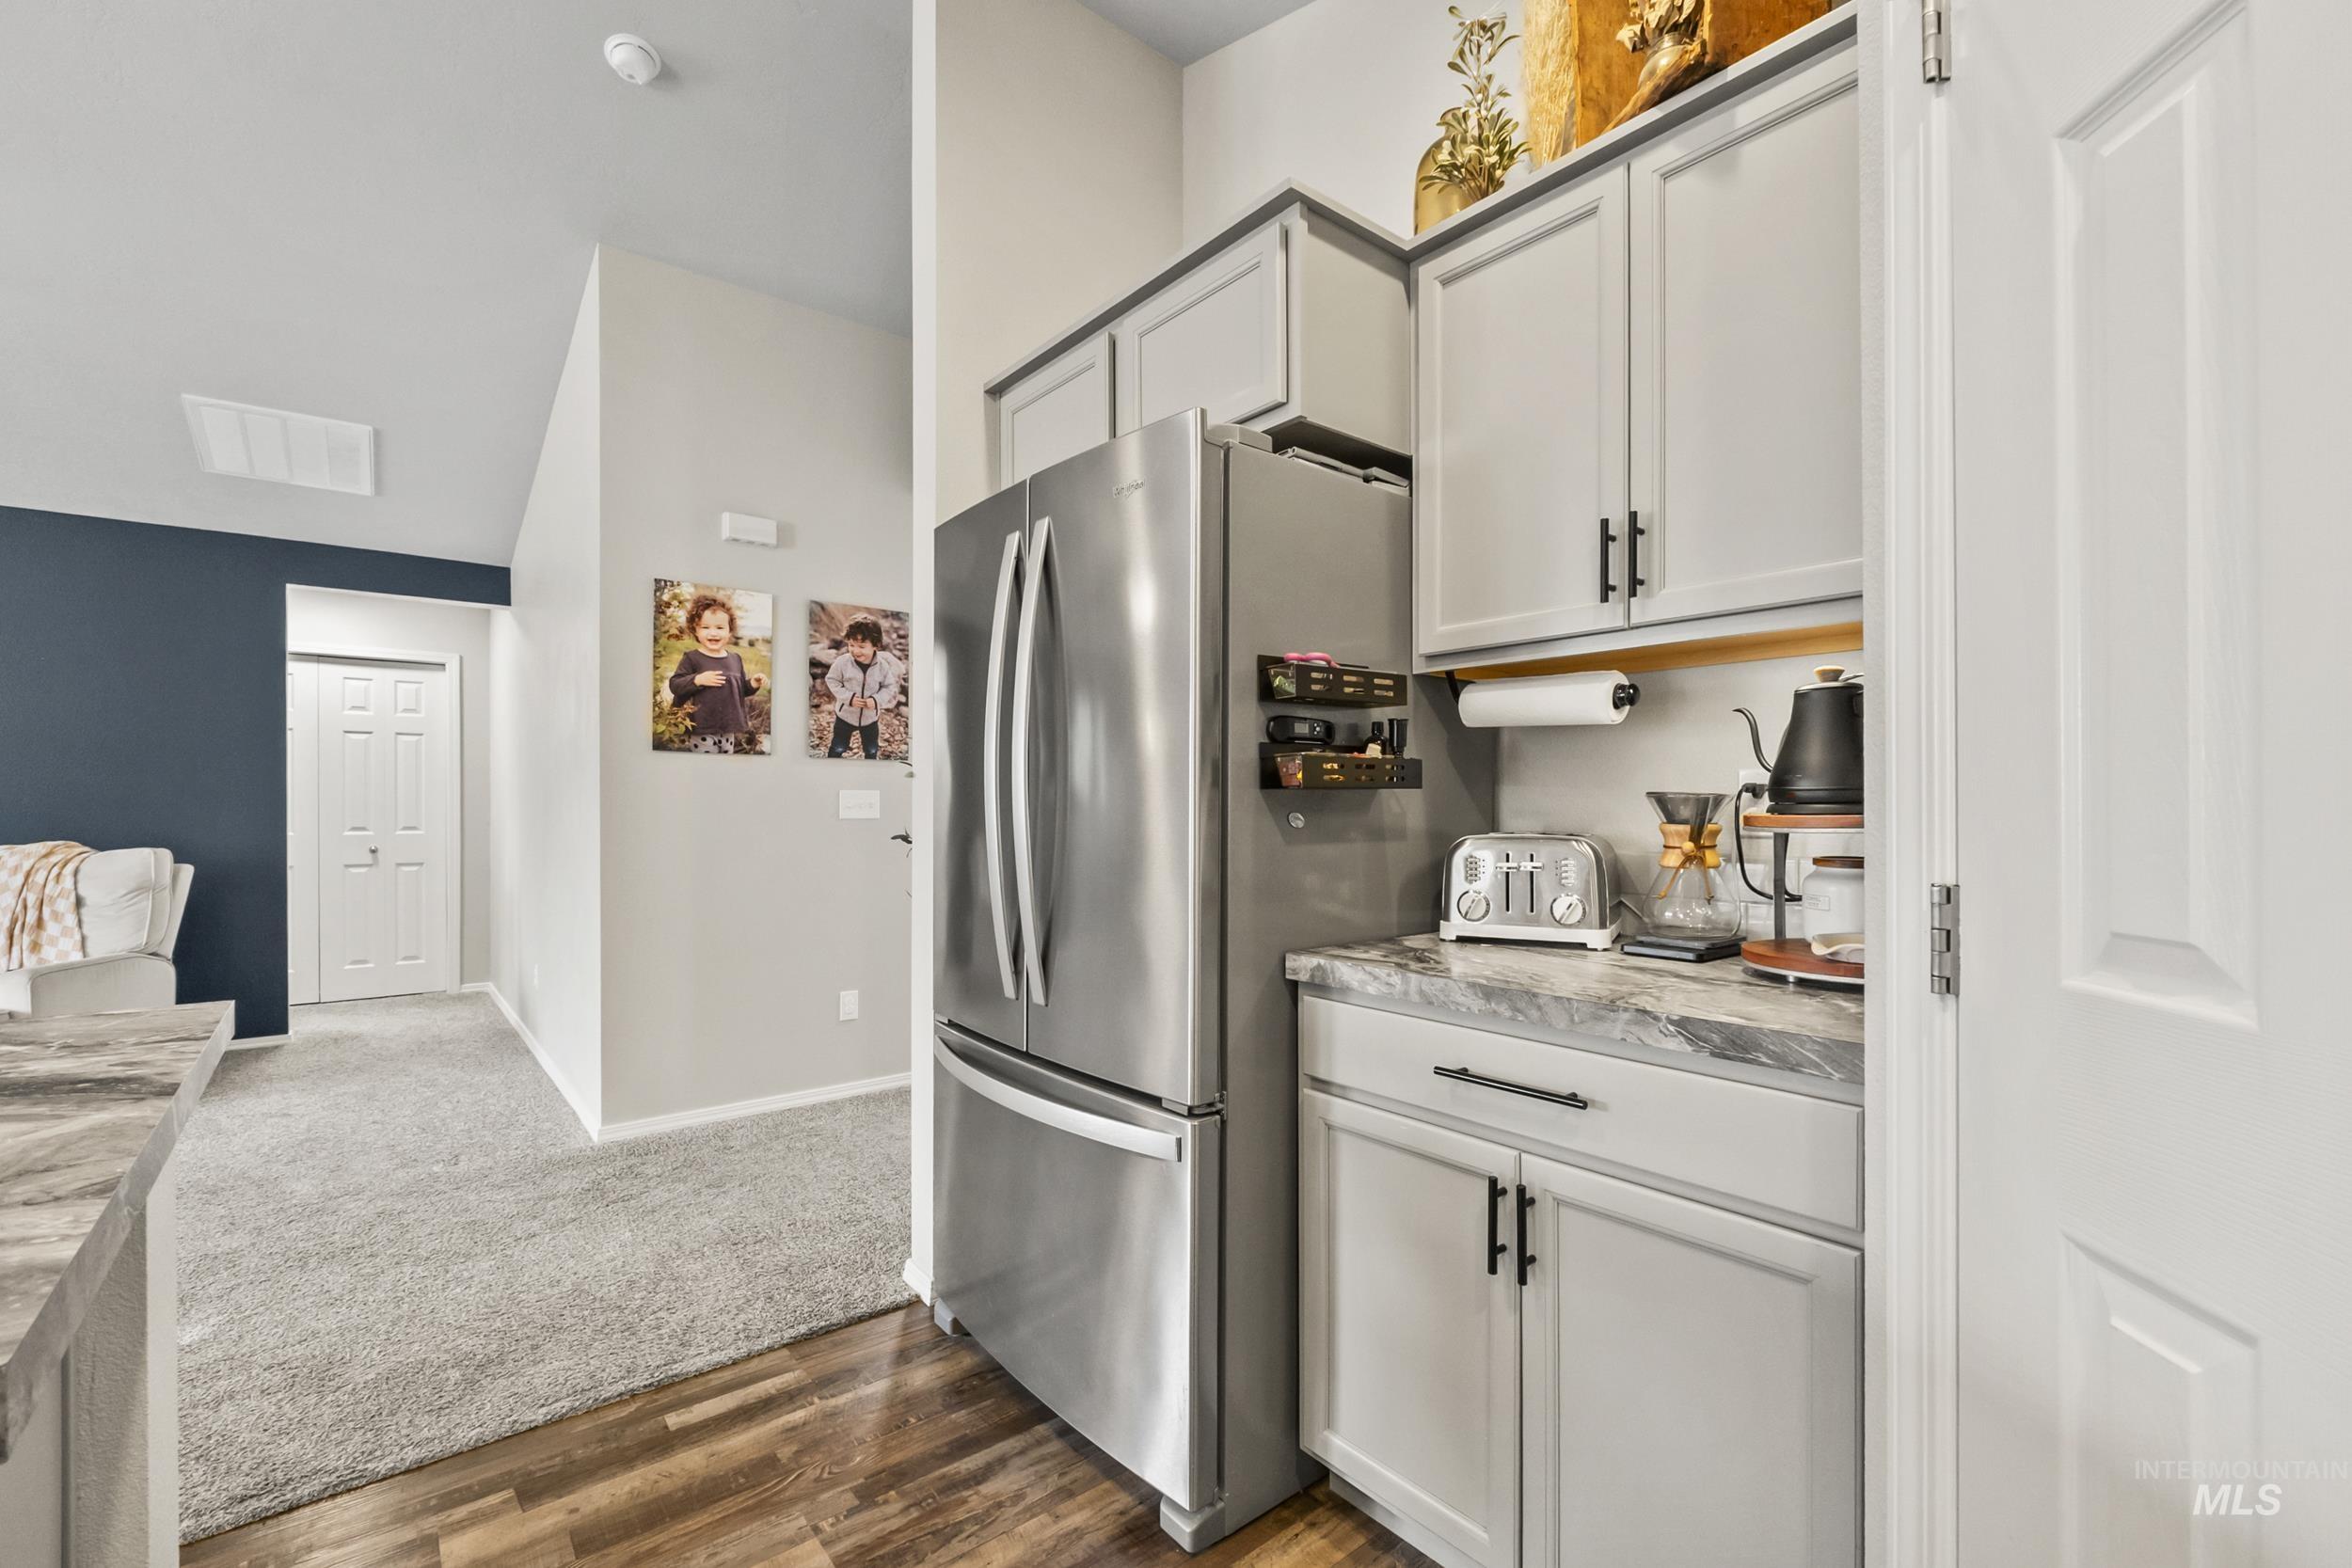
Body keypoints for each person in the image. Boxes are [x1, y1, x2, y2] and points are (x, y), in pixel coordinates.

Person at [665, 594, 766, 753]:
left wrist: (753, 683)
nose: (713, 633)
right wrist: (697, 680)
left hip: (728, 728)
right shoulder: (692, 658)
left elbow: (740, 691)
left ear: (729, 631)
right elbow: (675, 685)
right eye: (705, 627)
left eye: (720, 628)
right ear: (695, 630)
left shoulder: (735, 659)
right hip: (702, 728)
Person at [823, 616, 901, 758]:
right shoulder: (842, 662)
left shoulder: (882, 666)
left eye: (862, 646)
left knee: (871, 750)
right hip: (844, 716)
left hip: (870, 719)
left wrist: (877, 700)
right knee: (838, 747)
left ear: (876, 645)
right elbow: (832, 680)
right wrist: (849, 698)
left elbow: (890, 687)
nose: (855, 650)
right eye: (851, 645)